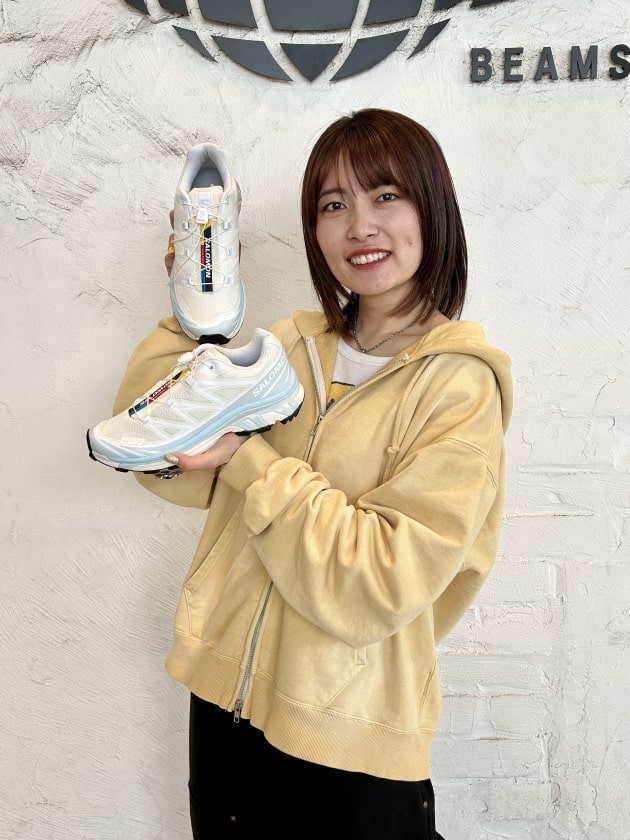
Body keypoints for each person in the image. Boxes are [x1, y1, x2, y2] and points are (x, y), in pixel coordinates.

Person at [112, 109, 512, 838]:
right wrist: (192, 320)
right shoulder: (286, 351)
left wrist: (249, 459)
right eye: (333, 204)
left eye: (385, 195)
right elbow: (159, 456)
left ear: (433, 207)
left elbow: (381, 580)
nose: (359, 225)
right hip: (226, 714)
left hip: (351, 744)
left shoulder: (459, 387)